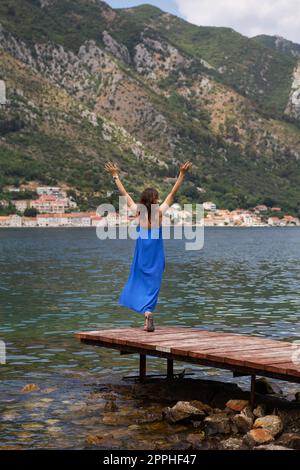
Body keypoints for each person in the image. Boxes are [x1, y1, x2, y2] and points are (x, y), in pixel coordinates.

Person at [105, 161, 192, 332]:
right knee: (153, 287)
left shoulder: (138, 212)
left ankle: (146, 315)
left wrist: (115, 175)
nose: (159, 199)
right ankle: (149, 312)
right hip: (157, 257)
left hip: (141, 257)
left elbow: (124, 194)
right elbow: (173, 194)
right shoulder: (159, 213)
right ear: (154, 200)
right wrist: (182, 174)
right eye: (157, 198)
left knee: (138, 283)